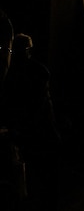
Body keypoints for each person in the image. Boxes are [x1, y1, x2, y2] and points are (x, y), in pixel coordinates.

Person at [0, 33, 60, 210]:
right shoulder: (40, 73)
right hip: (44, 135)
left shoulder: (11, 75)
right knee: (47, 184)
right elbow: (38, 107)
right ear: (29, 50)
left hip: (27, 136)